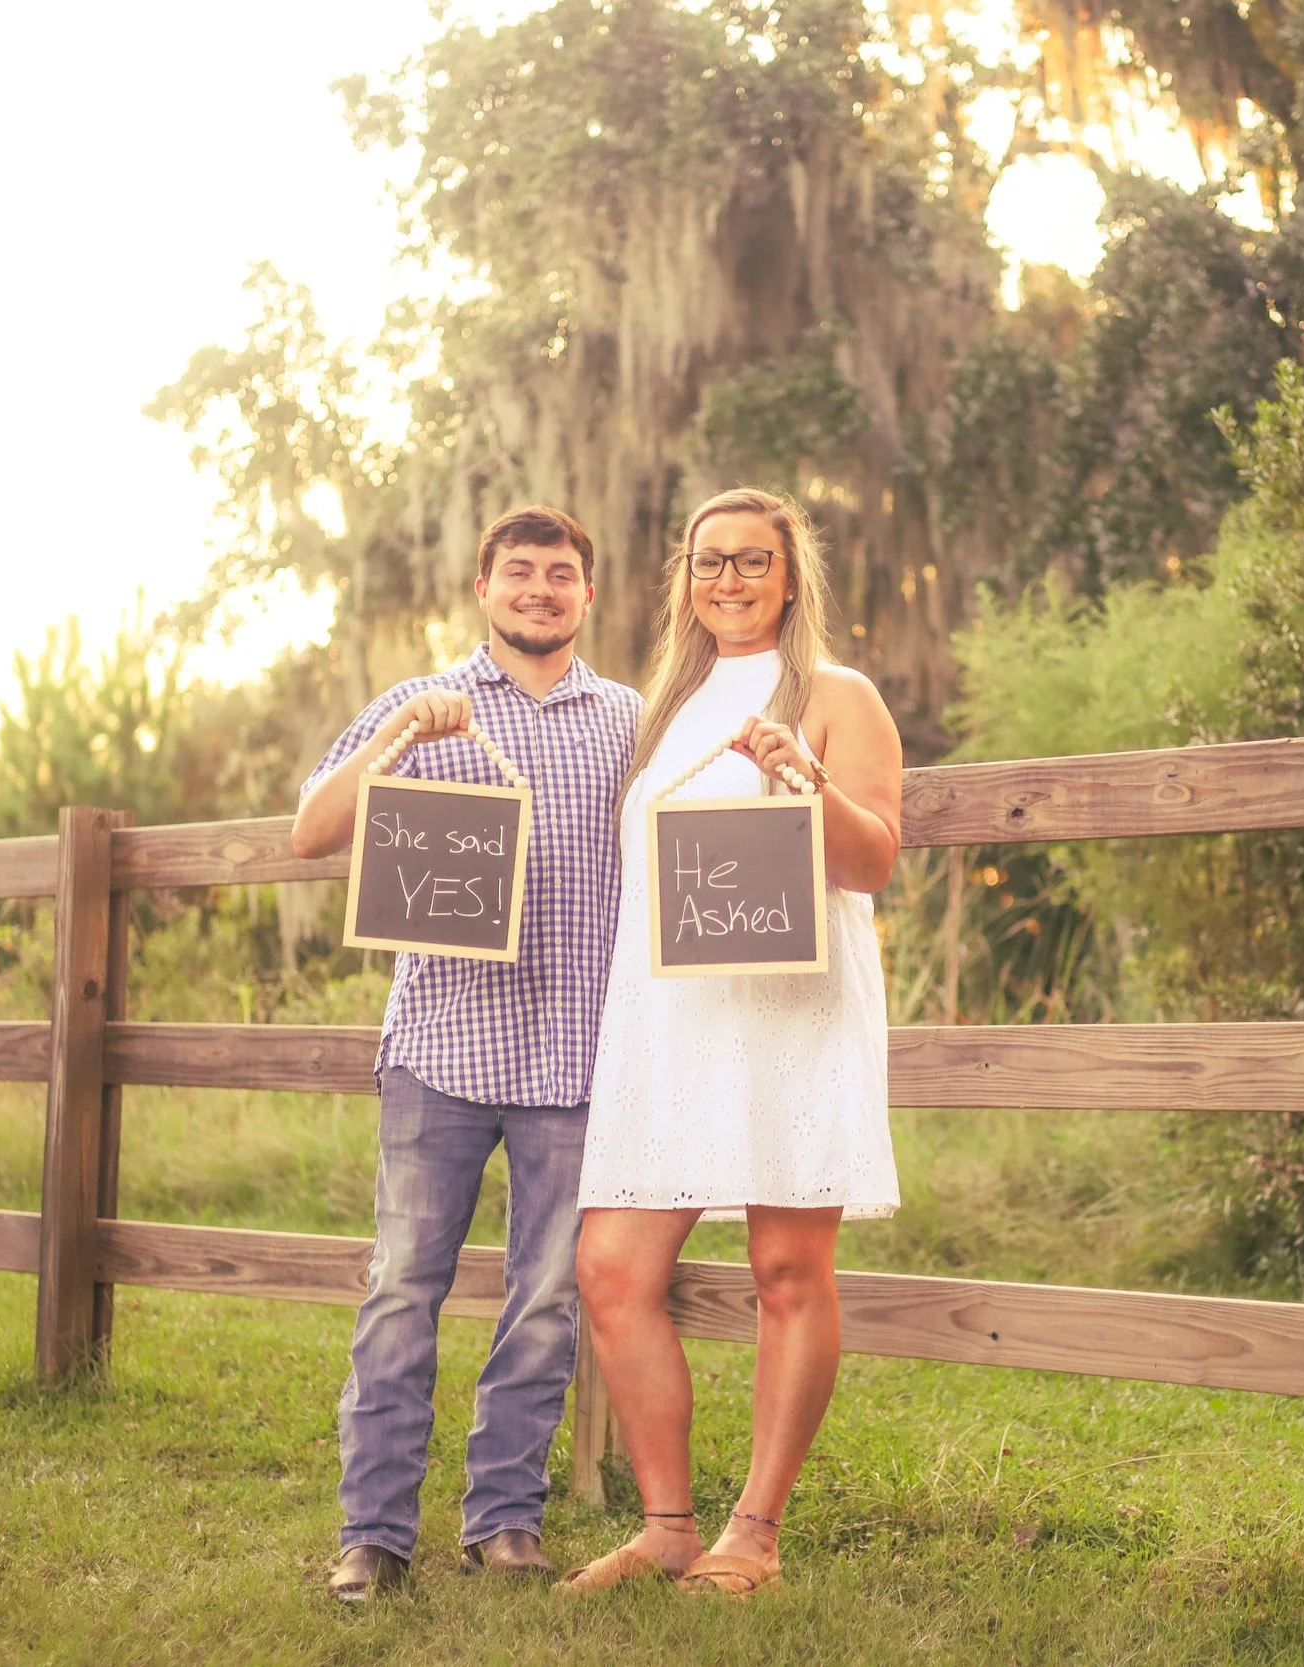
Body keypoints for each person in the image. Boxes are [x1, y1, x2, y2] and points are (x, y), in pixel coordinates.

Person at [290, 505, 640, 1602]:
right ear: (484, 587)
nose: (540, 588)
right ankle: (374, 1533)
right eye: (520, 571)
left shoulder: (630, 718)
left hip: (576, 1058)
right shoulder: (418, 705)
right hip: (440, 1047)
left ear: (589, 596)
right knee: (402, 1288)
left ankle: (505, 1518)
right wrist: (402, 745)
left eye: (562, 574)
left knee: (547, 1298)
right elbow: (310, 828)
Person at [564, 486, 904, 1597]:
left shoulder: (837, 695)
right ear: (686, 576)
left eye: (752, 561)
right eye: (709, 561)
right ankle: (665, 1525)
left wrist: (807, 786)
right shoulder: (659, 705)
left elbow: (872, 861)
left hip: (791, 1010)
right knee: (612, 1270)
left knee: (786, 1266)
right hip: (669, 1017)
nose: (729, 579)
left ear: (791, 574)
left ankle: (752, 1529)